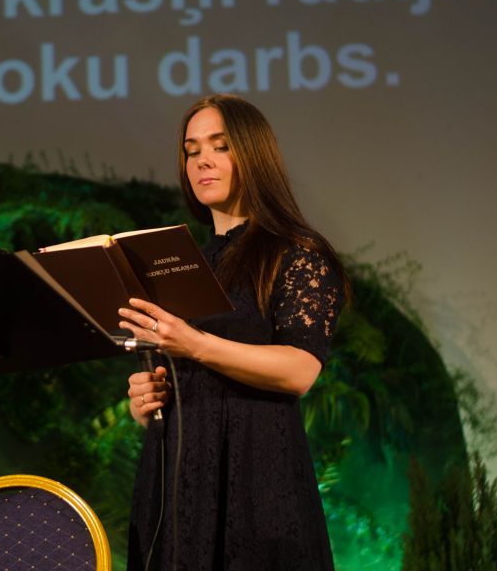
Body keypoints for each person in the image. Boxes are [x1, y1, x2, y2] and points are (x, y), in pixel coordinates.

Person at [120, 95, 347, 570]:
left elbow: (300, 370)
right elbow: (178, 373)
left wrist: (195, 345)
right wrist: (147, 399)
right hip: (178, 486)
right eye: (192, 150)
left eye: (220, 146)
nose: (202, 160)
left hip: (256, 479)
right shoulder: (183, 263)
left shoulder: (296, 253)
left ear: (254, 155)